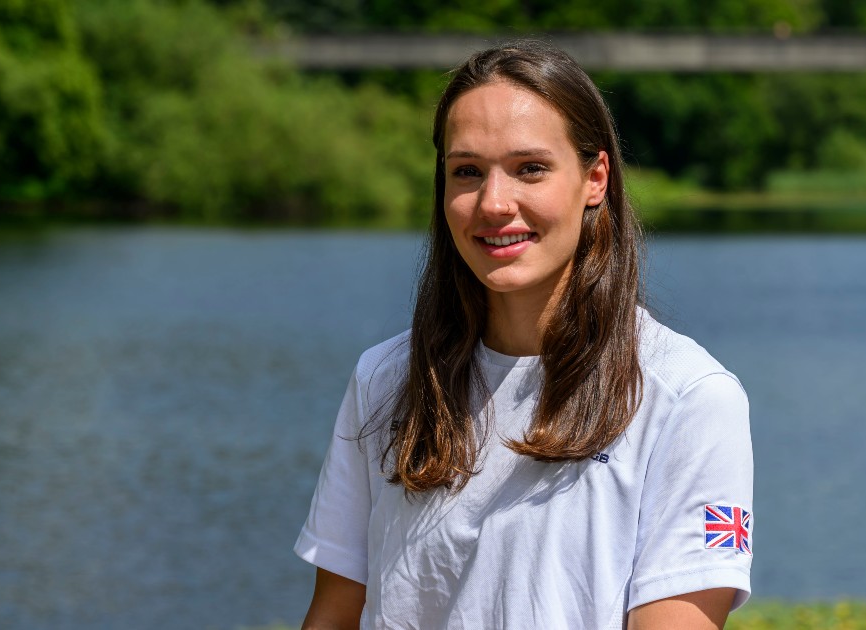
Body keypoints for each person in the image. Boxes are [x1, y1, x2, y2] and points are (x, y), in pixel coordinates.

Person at [295, 39, 753, 630]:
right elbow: (334, 613)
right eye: (467, 172)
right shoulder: (383, 380)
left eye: (529, 168)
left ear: (595, 178)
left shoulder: (690, 398)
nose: (493, 202)